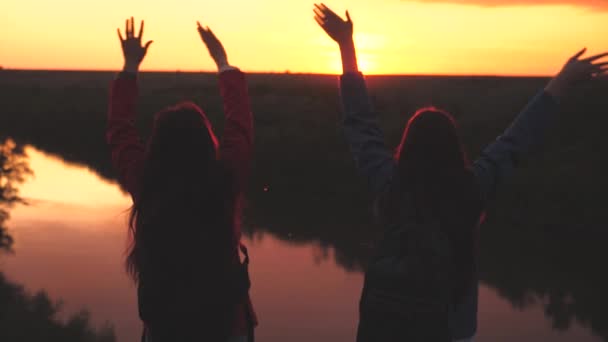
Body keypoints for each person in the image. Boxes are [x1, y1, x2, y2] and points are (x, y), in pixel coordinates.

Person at [313, 3, 608, 341]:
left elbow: (360, 126)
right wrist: (561, 82)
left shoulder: (388, 184)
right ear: (455, 150)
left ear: (406, 148)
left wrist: (346, 46)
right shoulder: (471, 189)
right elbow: (515, 141)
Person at [107, 17, 257, 342]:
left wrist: (130, 67)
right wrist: (222, 61)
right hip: (226, 331)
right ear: (208, 143)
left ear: (157, 147)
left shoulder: (147, 185)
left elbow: (120, 130)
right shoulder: (223, 182)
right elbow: (240, 125)